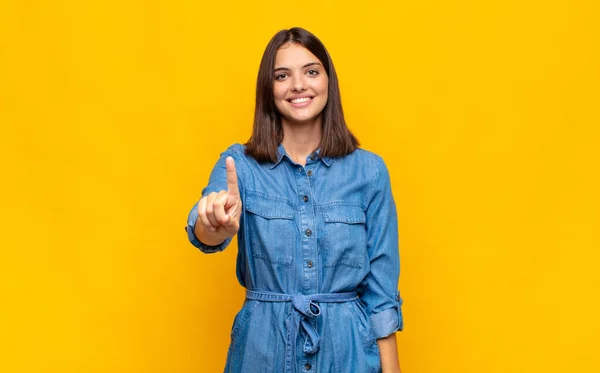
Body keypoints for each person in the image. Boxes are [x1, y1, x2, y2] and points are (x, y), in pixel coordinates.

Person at [185, 27, 404, 373]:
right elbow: (205, 232)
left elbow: (382, 295)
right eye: (282, 75)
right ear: (268, 90)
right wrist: (213, 221)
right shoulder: (238, 165)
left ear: (328, 82)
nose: (298, 85)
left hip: (348, 353)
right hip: (261, 350)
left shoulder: (370, 172)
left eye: (311, 71)